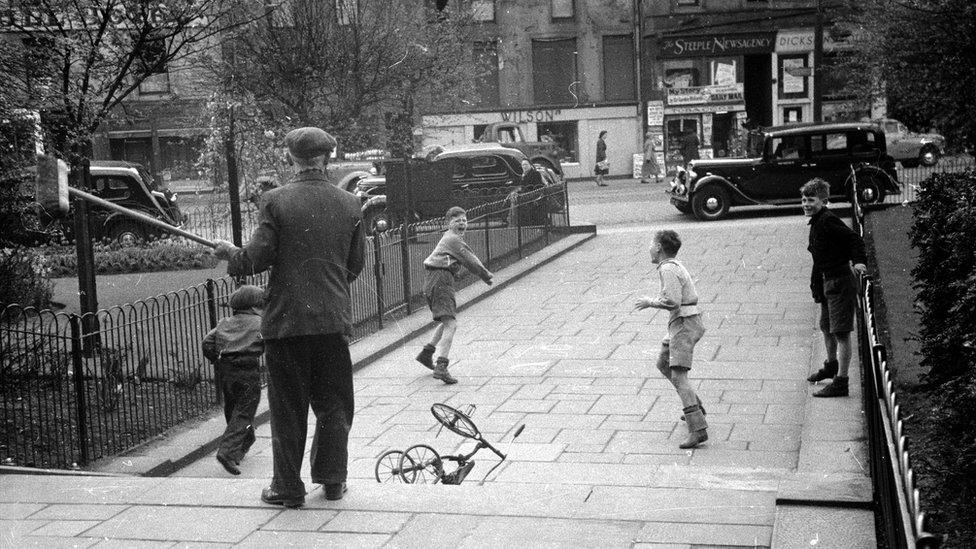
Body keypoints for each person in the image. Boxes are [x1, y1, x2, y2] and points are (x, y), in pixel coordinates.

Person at [213, 126, 365, 508]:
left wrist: (231, 254)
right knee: (334, 404)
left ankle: (287, 488)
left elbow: (257, 258)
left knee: (288, 408)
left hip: (287, 324)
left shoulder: (275, 201)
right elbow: (355, 265)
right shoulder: (350, 203)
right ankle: (332, 480)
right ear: (327, 157)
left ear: (291, 159)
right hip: (332, 321)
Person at [634, 229, 708, 449]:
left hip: (683, 324)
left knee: (678, 377)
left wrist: (650, 302)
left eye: (651, 243)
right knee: (663, 363)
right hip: (681, 323)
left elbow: (673, 301)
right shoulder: (673, 264)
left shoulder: (667, 268)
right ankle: (696, 407)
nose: (649, 247)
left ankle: (698, 429)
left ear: (658, 247)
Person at [801, 178, 868, 398]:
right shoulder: (817, 221)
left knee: (841, 332)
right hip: (827, 281)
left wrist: (859, 262)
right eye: (804, 199)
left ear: (824, 201)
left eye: (811, 200)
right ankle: (831, 365)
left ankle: (842, 381)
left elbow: (854, 240)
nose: (806, 204)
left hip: (839, 282)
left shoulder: (828, 221)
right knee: (826, 326)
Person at [415, 206, 493, 384]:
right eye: (457, 221)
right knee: (451, 324)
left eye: (464, 220)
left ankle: (427, 353)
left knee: (447, 319)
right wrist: (486, 276)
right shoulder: (453, 239)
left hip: (437, 279)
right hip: (440, 280)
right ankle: (441, 366)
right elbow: (470, 259)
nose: (462, 223)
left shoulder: (450, 239)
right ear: (448, 224)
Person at [202, 284, 265, 476]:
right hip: (247, 369)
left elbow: (207, 342)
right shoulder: (260, 322)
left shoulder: (225, 323)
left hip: (226, 370)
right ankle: (227, 452)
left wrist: (217, 360)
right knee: (245, 411)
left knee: (232, 407)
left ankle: (244, 443)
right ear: (255, 306)